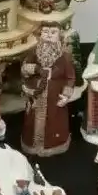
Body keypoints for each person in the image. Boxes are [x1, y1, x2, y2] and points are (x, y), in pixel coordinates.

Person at [20, 22, 76, 156]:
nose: (49, 36)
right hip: (35, 97)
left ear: (59, 35)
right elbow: (24, 69)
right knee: (32, 121)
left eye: (53, 32)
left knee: (54, 123)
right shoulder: (34, 53)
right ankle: (32, 145)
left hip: (54, 98)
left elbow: (70, 77)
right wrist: (36, 69)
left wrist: (66, 95)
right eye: (46, 32)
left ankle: (52, 145)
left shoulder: (64, 56)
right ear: (40, 35)